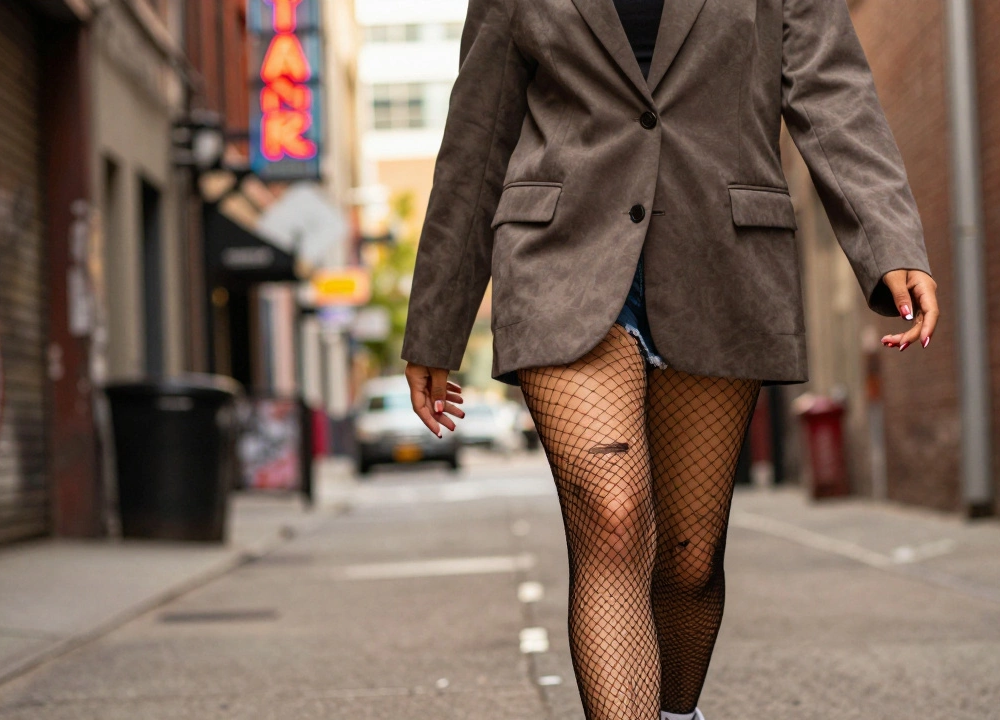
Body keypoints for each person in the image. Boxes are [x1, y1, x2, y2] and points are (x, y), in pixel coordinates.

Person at [401, 0, 940, 718]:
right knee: (613, 516)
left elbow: (831, 88)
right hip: (561, 260)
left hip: (719, 257)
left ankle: (677, 714)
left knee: (689, 562)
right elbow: (478, 133)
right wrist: (436, 321)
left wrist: (889, 240)